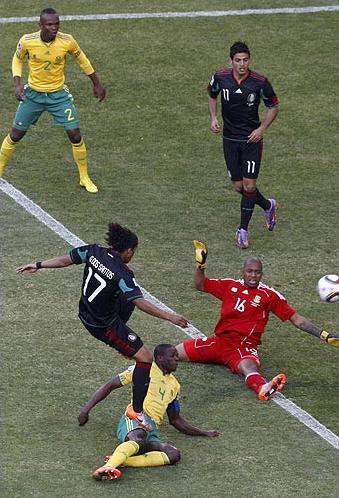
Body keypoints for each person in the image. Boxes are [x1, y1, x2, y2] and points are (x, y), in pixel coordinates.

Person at [16, 222, 189, 431]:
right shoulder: (122, 273)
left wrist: (39, 264)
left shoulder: (93, 251)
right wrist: (169, 316)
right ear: (128, 250)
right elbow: (140, 303)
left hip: (85, 312)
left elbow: (65, 260)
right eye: (133, 251)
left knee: (127, 292)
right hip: (102, 324)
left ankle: (126, 347)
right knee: (144, 357)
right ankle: (137, 411)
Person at [174, 241, 339, 400]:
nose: (253, 275)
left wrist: (325, 335)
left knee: (249, 367)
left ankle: (264, 388)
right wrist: (200, 264)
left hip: (243, 348)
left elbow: (298, 320)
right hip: (218, 344)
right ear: (243, 271)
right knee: (172, 354)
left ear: (262, 274)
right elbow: (200, 284)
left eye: (257, 272)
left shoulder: (269, 296)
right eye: (249, 271)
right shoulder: (229, 286)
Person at [0, 7, 106, 193]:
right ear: (40, 25)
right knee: (16, 134)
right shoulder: (27, 41)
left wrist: (96, 83)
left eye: (56, 24)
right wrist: (17, 84)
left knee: (75, 134)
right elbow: (17, 60)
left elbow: (83, 60)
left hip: (58, 96)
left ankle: (84, 177)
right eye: (49, 24)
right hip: (33, 95)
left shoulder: (67, 41)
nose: (54, 28)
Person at [91, 344, 219, 481]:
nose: (177, 358)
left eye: (177, 355)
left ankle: (124, 461)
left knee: (174, 454)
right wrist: (86, 410)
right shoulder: (143, 370)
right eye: (172, 355)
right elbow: (111, 385)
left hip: (151, 429)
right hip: (135, 417)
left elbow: (175, 419)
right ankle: (108, 466)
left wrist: (204, 433)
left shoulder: (175, 385)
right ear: (160, 357)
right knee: (138, 438)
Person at [207, 41, 279, 249]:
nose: (242, 64)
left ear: (249, 60)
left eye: (245, 60)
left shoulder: (259, 82)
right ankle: (268, 205)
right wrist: (213, 117)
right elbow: (212, 94)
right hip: (229, 140)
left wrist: (261, 129)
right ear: (231, 61)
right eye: (238, 60)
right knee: (239, 187)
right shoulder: (220, 77)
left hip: (251, 141)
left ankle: (242, 230)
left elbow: (273, 106)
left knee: (249, 186)